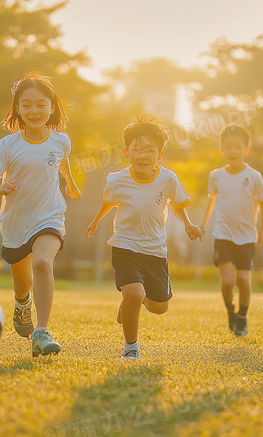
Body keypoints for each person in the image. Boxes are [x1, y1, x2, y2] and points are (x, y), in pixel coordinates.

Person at [0, 70, 82, 357]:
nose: (34, 111)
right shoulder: (8, 145)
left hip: (50, 215)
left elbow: (62, 165)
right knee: (22, 283)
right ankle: (22, 302)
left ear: (52, 107)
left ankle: (42, 330)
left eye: (40, 105)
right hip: (15, 223)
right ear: (17, 109)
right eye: (26, 105)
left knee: (42, 262)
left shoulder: (61, 140)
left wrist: (71, 186)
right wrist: (0, 188)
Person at [86, 113, 203, 361]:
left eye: (149, 150)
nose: (142, 155)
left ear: (159, 155)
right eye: (137, 149)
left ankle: (128, 305)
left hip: (155, 251)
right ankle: (131, 347)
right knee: (135, 293)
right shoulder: (117, 180)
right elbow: (108, 202)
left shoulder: (168, 178)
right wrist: (95, 222)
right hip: (125, 247)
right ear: (127, 152)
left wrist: (189, 224)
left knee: (159, 307)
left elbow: (177, 204)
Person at [200, 123, 263, 337]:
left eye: (238, 147)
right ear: (222, 150)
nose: (233, 151)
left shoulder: (254, 176)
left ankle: (243, 316)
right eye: (228, 147)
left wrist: (261, 230)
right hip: (223, 234)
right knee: (228, 281)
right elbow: (212, 201)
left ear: (246, 150)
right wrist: (203, 224)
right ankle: (231, 311)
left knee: (243, 280)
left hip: (247, 236)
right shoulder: (216, 176)